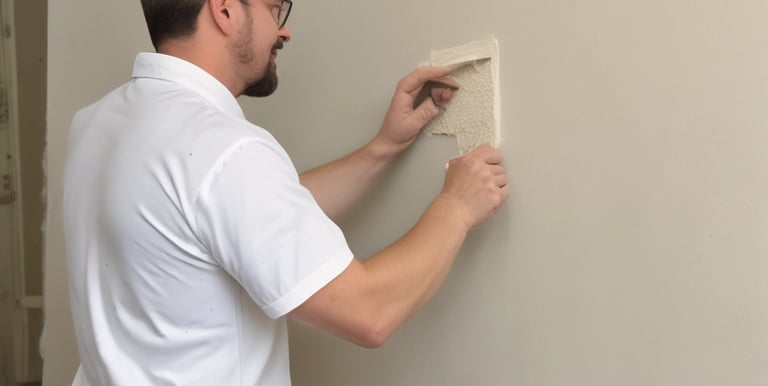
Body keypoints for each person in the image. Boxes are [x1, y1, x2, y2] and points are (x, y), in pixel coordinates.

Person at [62, 0, 509, 385]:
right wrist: (456, 207)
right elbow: (370, 312)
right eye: (276, 8)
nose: (285, 29)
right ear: (224, 10)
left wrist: (382, 148)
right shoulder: (226, 147)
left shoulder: (97, 123)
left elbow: (229, 218)